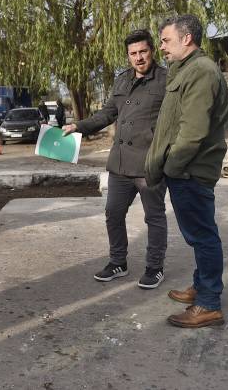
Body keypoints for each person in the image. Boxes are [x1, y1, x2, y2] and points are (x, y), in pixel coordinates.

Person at [62, 29, 168, 289]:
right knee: (113, 212)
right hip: (120, 164)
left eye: (143, 51)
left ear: (152, 51)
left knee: (154, 217)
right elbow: (108, 113)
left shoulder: (166, 79)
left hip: (149, 163)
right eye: (133, 53)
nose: (139, 58)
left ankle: (155, 268)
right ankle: (118, 262)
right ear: (128, 56)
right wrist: (79, 126)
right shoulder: (122, 81)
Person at [145, 14, 228, 329]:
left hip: (190, 171)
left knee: (203, 236)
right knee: (198, 235)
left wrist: (172, 168)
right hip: (184, 171)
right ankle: (201, 286)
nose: (161, 47)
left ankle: (209, 303)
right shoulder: (187, 69)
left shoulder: (202, 71)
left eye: (166, 40)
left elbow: (192, 131)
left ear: (186, 39)